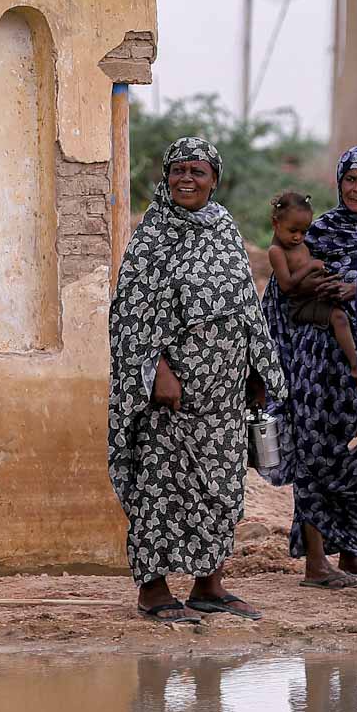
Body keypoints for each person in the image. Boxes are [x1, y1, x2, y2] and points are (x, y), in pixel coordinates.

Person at [109, 137, 288, 624]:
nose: (187, 179)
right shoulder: (152, 236)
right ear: (165, 178)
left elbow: (245, 305)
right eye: (178, 171)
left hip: (225, 392)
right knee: (161, 485)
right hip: (172, 394)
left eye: (198, 171)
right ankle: (154, 589)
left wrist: (256, 368)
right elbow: (130, 314)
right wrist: (158, 371)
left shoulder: (224, 227)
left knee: (220, 486)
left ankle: (209, 585)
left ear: (215, 179)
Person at [261, 147, 357, 591]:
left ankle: (350, 555)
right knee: (315, 457)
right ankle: (316, 563)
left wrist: (355, 290)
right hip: (316, 363)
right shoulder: (315, 233)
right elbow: (283, 299)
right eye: (350, 180)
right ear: (339, 183)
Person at [264, 192, 357, 372]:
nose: (298, 237)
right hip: (301, 305)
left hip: (315, 296)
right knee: (339, 318)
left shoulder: (297, 243)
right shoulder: (276, 251)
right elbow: (286, 286)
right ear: (276, 224)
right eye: (293, 231)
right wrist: (311, 267)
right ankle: (355, 364)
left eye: (304, 232)